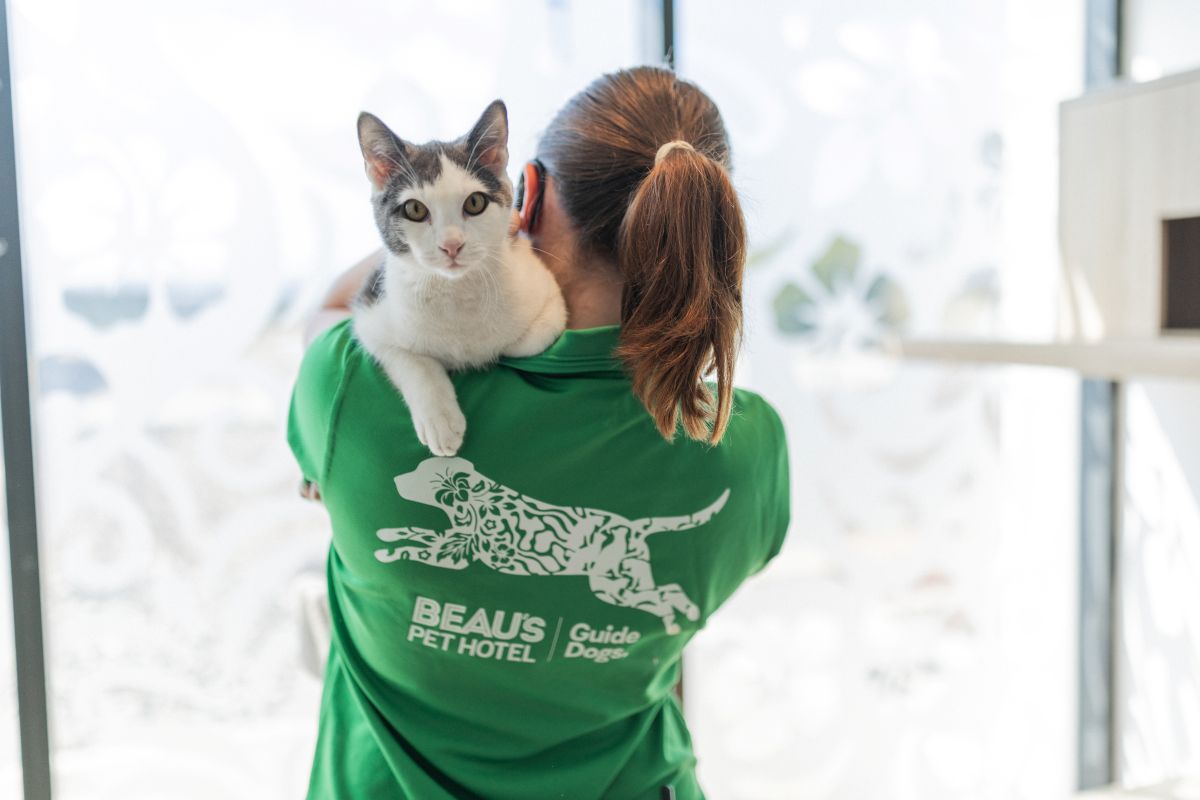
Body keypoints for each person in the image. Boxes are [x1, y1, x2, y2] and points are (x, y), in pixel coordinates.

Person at [288, 65, 790, 800]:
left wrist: (436, 232)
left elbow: (328, 314)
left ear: (527, 194)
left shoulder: (352, 391)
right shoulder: (741, 443)